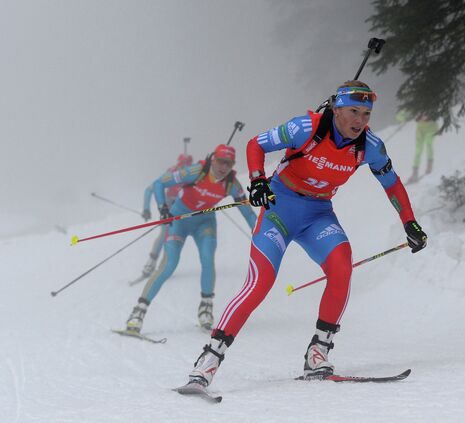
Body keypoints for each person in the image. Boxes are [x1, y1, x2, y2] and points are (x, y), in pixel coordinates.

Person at [181, 80, 428, 389]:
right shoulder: (305, 127)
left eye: (366, 114)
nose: (360, 121)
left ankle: (318, 353)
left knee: (341, 267)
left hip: (318, 215)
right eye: (353, 111)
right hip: (279, 212)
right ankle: (209, 360)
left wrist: (409, 222)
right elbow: (256, 144)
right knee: (260, 284)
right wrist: (258, 180)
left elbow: (391, 182)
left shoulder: (370, 146)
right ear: (337, 109)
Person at [125, 144, 257, 332]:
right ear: (213, 159)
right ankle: (138, 312)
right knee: (169, 265)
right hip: (179, 220)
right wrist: (163, 208)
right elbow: (158, 183)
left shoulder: (231, 184)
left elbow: (247, 211)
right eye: (221, 161)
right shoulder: (195, 172)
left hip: (204, 223)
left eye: (229, 163)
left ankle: (205, 307)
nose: (224, 167)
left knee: (207, 259)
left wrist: (257, 230)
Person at [139, 153, 194, 279]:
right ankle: (151, 263)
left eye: (186, 167)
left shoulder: (193, 175)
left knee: (176, 235)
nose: (183, 170)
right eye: (181, 166)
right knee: (165, 233)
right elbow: (149, 189)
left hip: (184, 205)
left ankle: (164, 264)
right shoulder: (171, 173)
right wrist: (146, 209)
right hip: (169, 204)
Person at [405, 112, 439, 184]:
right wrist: (405, 118)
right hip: (420, 129)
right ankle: (415, 173)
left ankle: (429, 168)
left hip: (431, 128)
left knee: (428, 144)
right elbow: (407, 113)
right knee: (418, 151)